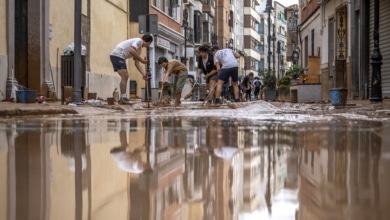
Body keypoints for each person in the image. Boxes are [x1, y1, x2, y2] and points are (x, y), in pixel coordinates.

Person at [110, 34, 153, 103]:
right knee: (125, 75)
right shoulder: (139, 41)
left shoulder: (139, 50)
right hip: (117, 54)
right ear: (149, 42)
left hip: (120, 57)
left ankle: (123, 97)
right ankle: (123, 98)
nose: (149, 45)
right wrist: (142, 60)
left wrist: (144, 74)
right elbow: (131, 51)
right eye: (150, 43)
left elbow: (137, 63)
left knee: (126, 76)